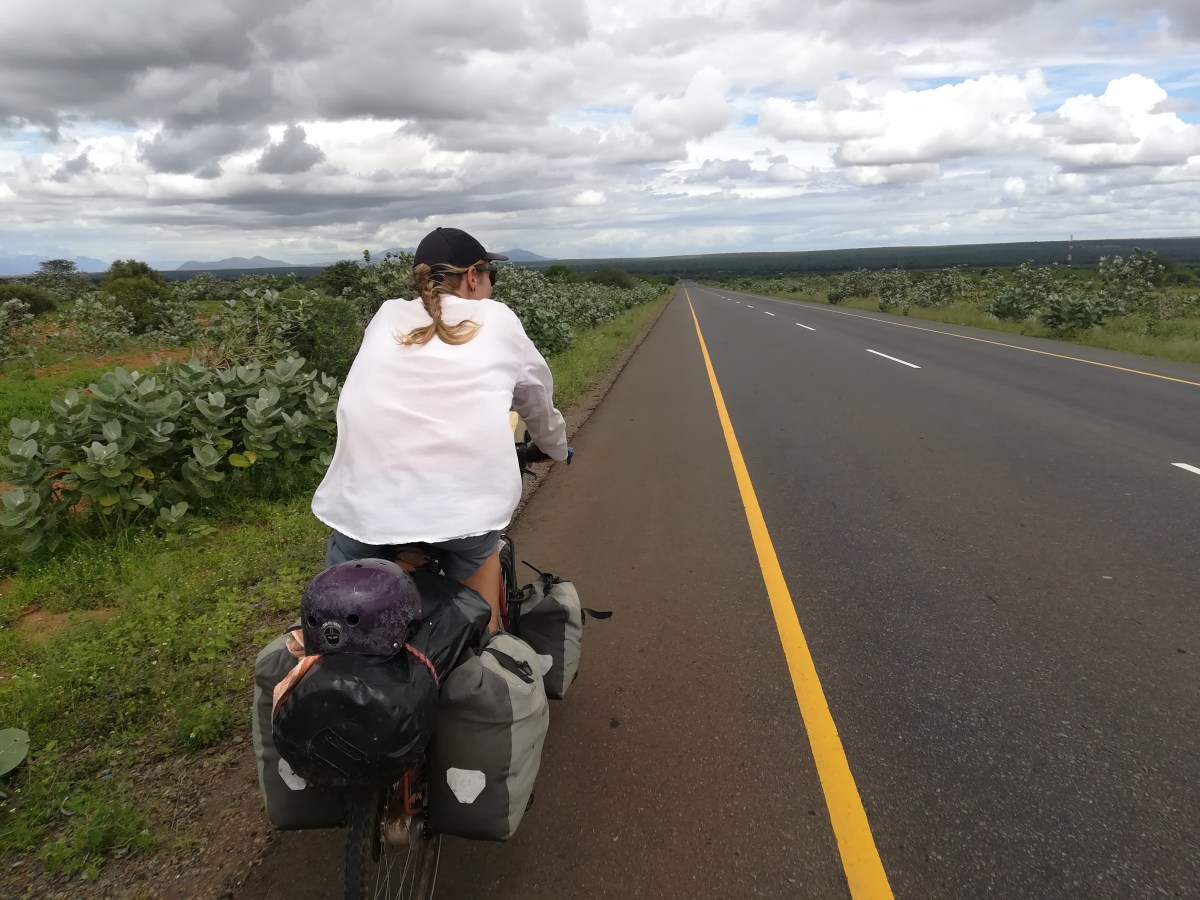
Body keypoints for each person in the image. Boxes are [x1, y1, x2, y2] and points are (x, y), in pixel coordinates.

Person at [311, 226, 570, 631]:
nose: (492, 285)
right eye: (491, 275)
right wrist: (554, 447)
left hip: (362, 505)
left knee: (338, 623)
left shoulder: (385, 315)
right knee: (479, 618)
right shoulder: (498, 318)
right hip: (463, 512)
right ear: (473, 276)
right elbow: (537, 403)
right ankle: (486, 646)